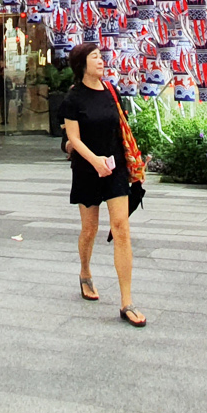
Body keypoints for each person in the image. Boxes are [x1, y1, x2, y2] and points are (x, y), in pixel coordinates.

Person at [60, 42, 144, 326]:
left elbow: (121, 127)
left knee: (121, 228)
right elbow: (73, 138)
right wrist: (95, 160)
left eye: (101, 56)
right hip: (87, 169)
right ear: (82, 63)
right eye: (95, 57)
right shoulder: (73, 98)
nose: (101, 60)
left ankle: (126, 302)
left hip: (115, 167)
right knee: (90, 229)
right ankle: (85, 271)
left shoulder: (111, 91)